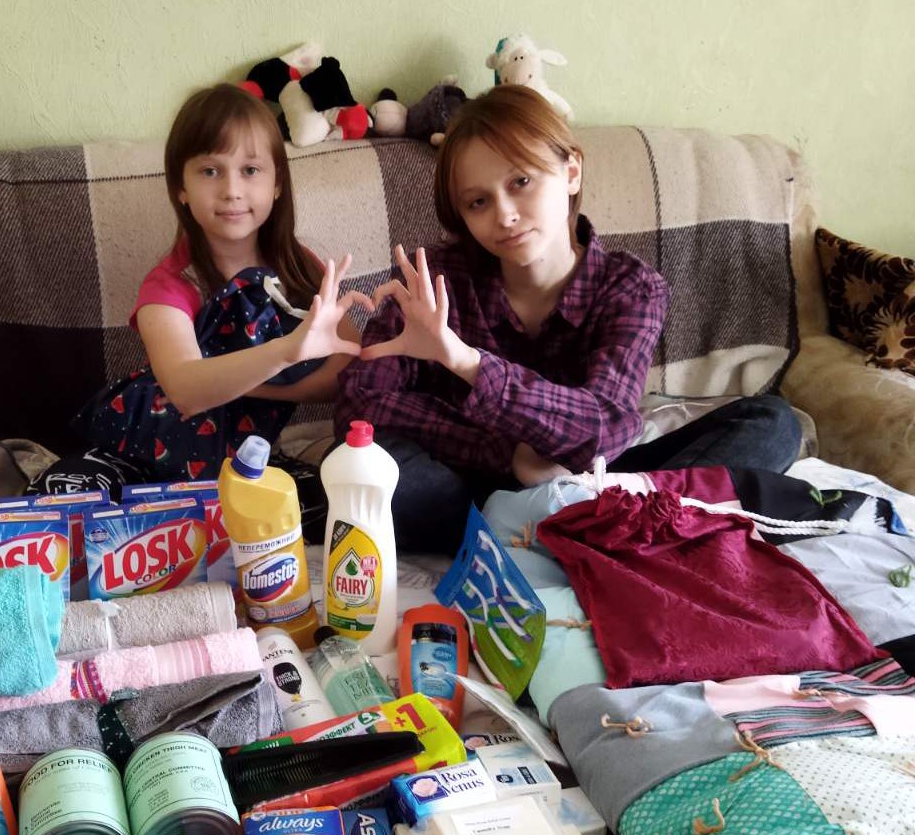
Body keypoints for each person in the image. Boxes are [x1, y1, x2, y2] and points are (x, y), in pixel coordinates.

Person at [335, 84, 801, 553]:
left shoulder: (631, 286)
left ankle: (569, 529)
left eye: (521, 182)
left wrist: (467, 362)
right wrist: (505, 454)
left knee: (774, 423)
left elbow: (607, 427)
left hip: (597, 479)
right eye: (478, 202)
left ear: (571, 170)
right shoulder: (433, 278)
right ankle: (596, 535)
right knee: (379, 470)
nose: (506, 215)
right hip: (470, 486)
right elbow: (360, 403)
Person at [69, 83, 366, 485]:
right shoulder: (170, 284)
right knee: (68, 493)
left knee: (326, 498)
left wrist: (257, 389)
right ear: (181, 188)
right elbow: (186, 389)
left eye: (250, 170)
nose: (231, 191)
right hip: (142, 446)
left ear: (276, 184)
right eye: (211, 171)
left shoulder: (298, 268)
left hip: (241, 460)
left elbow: (345, 362)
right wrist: (284, 353)